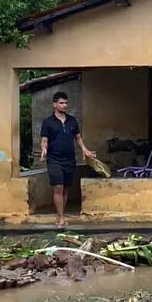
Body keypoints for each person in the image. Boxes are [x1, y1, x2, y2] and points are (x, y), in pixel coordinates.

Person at [38, 91, 95, 229]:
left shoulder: (72, 120)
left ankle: (60, 213)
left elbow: (78, 138)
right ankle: (61, 218)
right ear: (54, 104)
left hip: (69, 159)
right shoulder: (48, 122)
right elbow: (44, 140)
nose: (64, 105)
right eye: (61, 103)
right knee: (58, 187)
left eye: (65, 103)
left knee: (65, 189)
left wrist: (85, 149)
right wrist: (44, 150)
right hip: (54, 159)